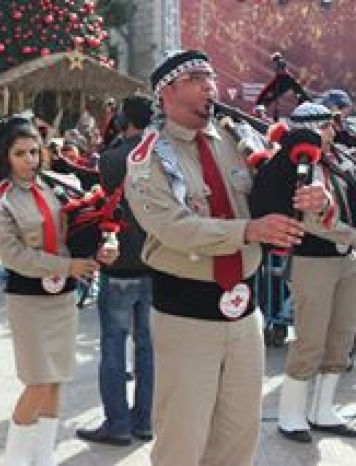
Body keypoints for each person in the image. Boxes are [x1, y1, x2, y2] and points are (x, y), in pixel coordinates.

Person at [124, 50, 329, 466]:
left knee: (238, 438)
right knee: (182, 442)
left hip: (244, 314)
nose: (211, 86)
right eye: (198, 77)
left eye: (211, 77)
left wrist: (314, 200)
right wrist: (248, 231)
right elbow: (173, 227)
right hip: (185, 317)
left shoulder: (237, 139)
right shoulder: (148, 157)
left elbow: (272, 194)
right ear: (167, 92)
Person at [0, 117, 116, 465]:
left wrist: (98, 251)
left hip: (63, 297)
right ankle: (14, 460)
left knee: (57, 380)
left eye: (34, 151)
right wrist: (67, 267)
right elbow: (13, 256)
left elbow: (77, 232)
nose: (30, 160)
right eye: (20, 153)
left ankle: (42, 458)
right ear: (5, 156)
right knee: (37, 382)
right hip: (28, 299)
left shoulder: (60, 185)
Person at [251, 102, 356, 442]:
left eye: (330, 125)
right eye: (323, 125)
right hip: (314, 260)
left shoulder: (338, 160)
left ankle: (322, 409)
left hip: (347, 259)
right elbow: (309, 217)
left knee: (341, 337)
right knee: (310, 339)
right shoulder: (298, 163)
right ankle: (291, 414)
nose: (330, 131)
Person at [76, 95, 154, 446]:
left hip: (119, 261)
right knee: (148, 348)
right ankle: (144, 421)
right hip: (156, 262)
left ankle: (118, 424)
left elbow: (105, 191)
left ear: (125, 120)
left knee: (113, 346)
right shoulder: (162, 153)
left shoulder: (113, 157)